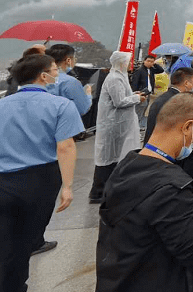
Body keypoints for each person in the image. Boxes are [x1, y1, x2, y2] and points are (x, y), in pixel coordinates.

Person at [95, 93, 193, 292]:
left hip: (119, 279)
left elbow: (148, 212)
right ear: (187, 127)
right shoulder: (173, 186)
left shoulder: (128, 164)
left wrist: (192, 202)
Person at [0, 54, 84, 292]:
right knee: (23, 242)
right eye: (55, 70)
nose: (58, 74)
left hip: (3, 178)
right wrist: (67, 186)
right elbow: (65, 146)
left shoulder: (2, 104)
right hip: (39, 180)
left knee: (5, 239)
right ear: (43, 76)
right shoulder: (60, 105)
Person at [90, 52, 145, 203]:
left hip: (118, 124)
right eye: (127, 62)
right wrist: (137, 98)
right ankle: (98, 193)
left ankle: (108, 190)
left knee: (114, 157)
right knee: (106, 158)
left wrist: (133, 94)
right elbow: (119, 101)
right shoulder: (114, 78)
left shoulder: (120, 76)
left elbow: (122, 95)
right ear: (121, 63)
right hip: (112, 124)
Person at [143, 68, 193, 178]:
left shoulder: (163, 98)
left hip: (152, 151)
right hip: (167, 155)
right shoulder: (179, 102)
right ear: (186, 83)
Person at [44, 44, 92, 120]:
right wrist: (88, 95)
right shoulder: (70, 82)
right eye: (74, 59)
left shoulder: (40, 78)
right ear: (68, 60)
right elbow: (82, 109)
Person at [130, 54, 163, 129]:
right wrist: (136, 93)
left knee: (143, 111)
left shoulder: (151, 70)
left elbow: (161, 70)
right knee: (138, 112)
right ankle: (134, 128)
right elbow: (135, 83)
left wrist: (155, 64)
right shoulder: (139, 70)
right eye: (148, 61)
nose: (150, 63)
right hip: (141, 93)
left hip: (148, 93)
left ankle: (137, 127)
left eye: (152, 61)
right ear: (144, 61)